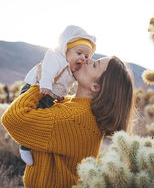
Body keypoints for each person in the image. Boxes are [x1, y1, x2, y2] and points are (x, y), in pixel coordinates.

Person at [1, 55, 134, 188]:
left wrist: (38, 85)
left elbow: (13, 119)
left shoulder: (73, 117)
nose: (87, 60)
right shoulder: (78, 107)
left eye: (94, 65)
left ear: (95, 87)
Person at [18, 25, 97, 166]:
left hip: (48, 95)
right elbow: (47, 70)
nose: (83, 58)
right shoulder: (56, 58)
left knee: (41, 120)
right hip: (36, 87)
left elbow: (66, 85)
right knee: (30, 117)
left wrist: (61, 95)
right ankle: (24, 147)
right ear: (66, 49)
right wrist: (45, 84)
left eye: (86, 56)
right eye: (79, 53)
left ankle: (32, 144)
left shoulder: (73, 69)